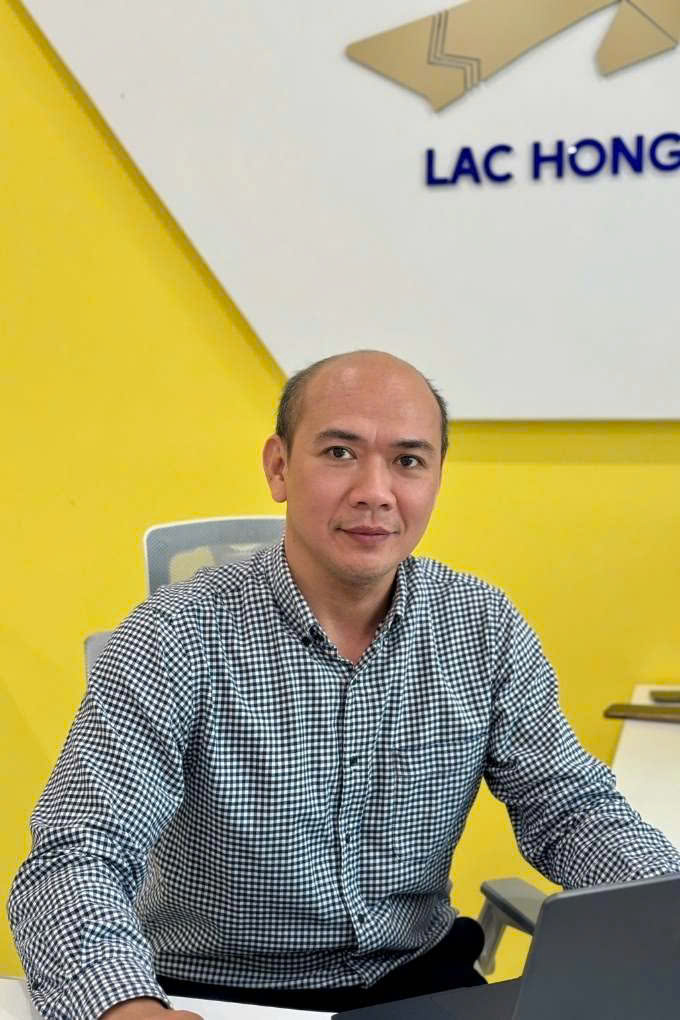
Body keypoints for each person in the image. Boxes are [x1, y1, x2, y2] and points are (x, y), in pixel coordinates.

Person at [8, 350, 680, 1020]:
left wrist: (668, 911)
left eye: (408, 461)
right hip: (219, 991)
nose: (375, 491)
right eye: (339, 453)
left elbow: (572, 810)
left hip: (416, 979)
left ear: (437, 480)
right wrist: (124, 1007)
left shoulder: (484, 627)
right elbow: (79, 853)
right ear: (279, 467)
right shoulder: (175, 634)